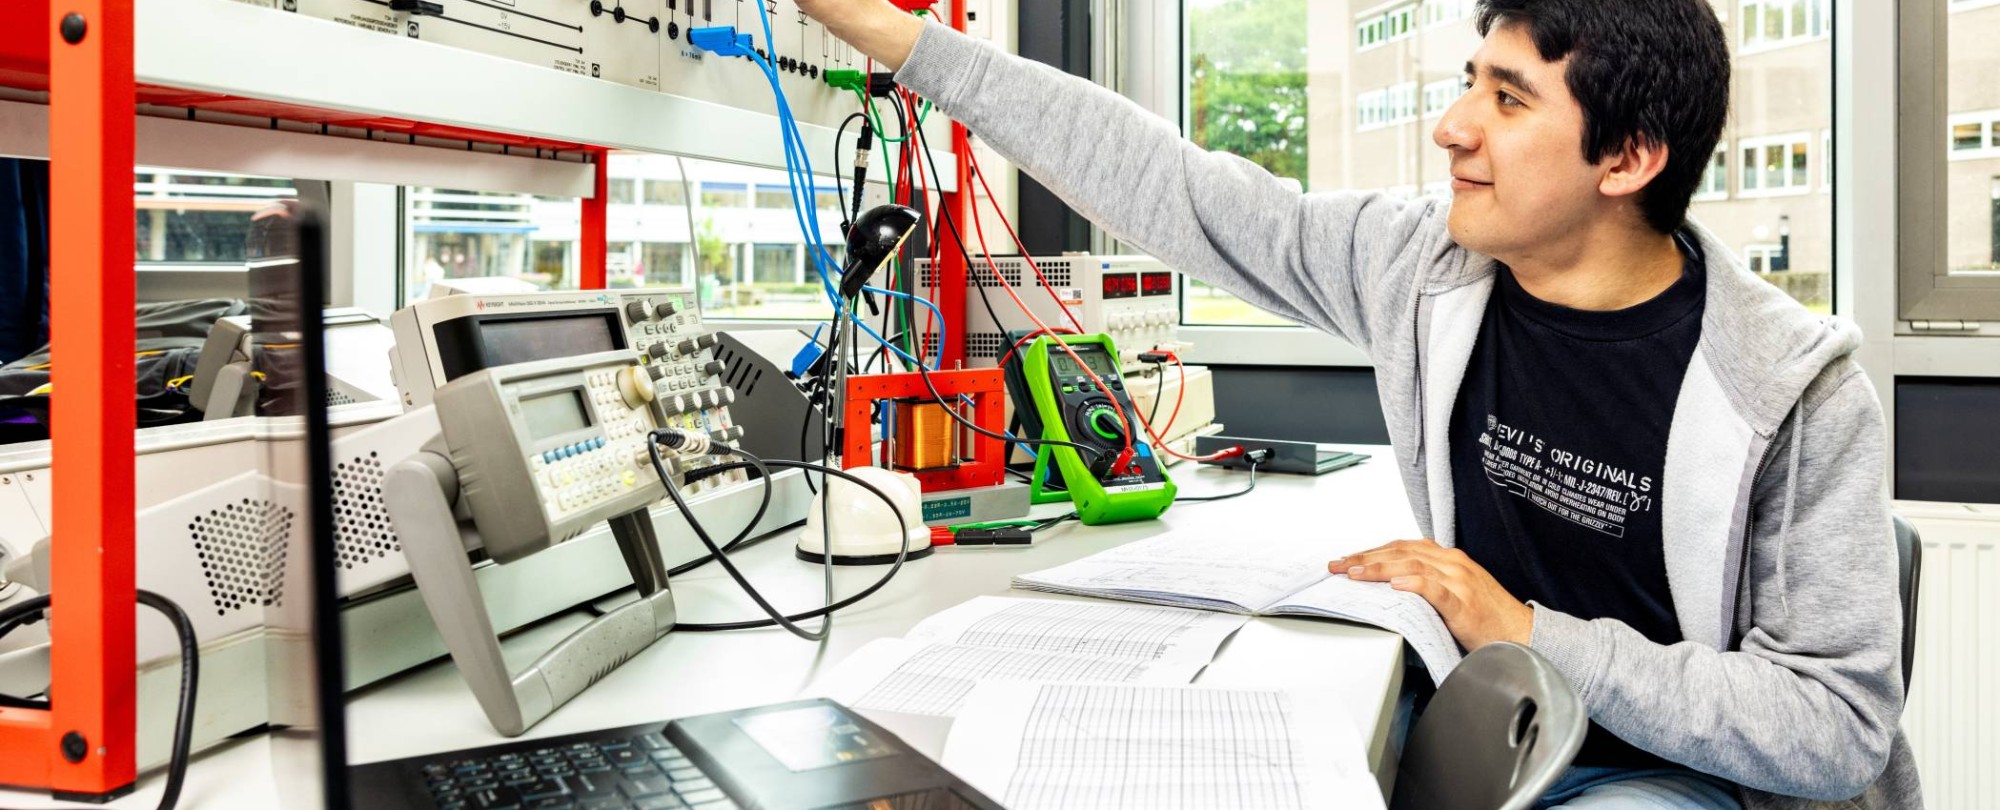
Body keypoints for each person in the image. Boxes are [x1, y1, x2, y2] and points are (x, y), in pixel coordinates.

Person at [797, 0, 1920, 806]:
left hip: (1671, 778)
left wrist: (1525, 633)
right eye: (1470, 83)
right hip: (1491, 719)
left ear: (1624, 158)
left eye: (1507, 98)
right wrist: (904, 43)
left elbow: (1831, 729)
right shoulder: (1420, 263)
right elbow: (1177, 187)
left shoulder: (1792, 388)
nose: (1452, 127)